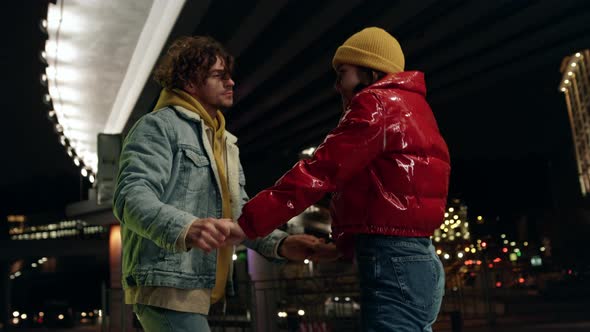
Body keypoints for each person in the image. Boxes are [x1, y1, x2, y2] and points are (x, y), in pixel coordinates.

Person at [237, 27, 451, 331]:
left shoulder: (375, 103)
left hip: (391, 259)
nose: (337, 85)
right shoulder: (416, 109)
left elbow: (321, 171)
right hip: (418, 258)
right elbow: (387, 195)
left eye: (343, 72)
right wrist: (345, 246)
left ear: (370, 71)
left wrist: (247, 222)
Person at [113, 35, 322, 332]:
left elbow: (238, 217)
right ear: (189, 82)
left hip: (199, 288)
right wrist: (186, 226)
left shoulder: (225, 143)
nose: (231, 83)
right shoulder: (157, 127)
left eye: (229, 75)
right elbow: (130, 196)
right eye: (218, 76)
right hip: (166, 286)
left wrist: (283, 244)